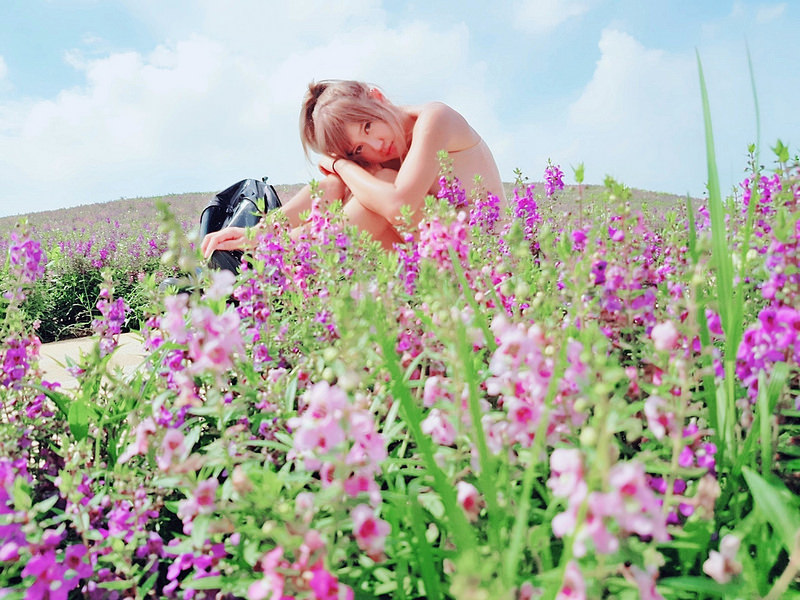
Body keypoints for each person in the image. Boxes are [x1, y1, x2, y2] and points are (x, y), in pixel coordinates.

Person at [200, 79, 507, 259]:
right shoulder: (377, 154)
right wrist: (254, 231)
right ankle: (263, 250)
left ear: (377, 97)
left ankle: (279, 258)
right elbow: (331, 189)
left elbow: (400, 207)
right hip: (433, 261)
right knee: (344, 186)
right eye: (358, 148)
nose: (375, 145)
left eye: (368, 125)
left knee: (382, 185)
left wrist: (342, 163)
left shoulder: (436, 119)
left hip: (483, 259)